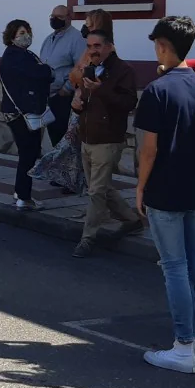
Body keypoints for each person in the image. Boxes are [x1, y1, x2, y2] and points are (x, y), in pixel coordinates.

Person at [134, 15, 195, 374]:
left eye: (157, 43)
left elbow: (148, 150)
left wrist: (140, 187)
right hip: (194, 186)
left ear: (164, 46)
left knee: (175, 268)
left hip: (165, 190)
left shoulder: (156, 90)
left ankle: (183, 346)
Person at [69, 27, 141, 256]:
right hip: (88, 136)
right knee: (99, 187)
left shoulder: (123, 70)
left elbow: (129, 103)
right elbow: (82, 98)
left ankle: (88, 238)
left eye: (97, 46)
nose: (92, 50)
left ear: (110, 47)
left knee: (96, 191)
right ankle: (131, 220)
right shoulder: (89, 69)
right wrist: (77, 105)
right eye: (89, 46)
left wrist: (101, 91)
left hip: (108, 139)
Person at [0, 20, 52, 210]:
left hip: (19, 110)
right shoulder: (17, 56)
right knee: (29, 153)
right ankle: (24, 197)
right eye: (21, 32)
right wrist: (47, 70)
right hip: (21, 112)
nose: (26, 35)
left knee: (27, 153)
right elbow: (41, 73)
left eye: (27, 31)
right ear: (12, 36)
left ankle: (20, 191)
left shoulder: (20, 54)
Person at [38, 4, 81, 145]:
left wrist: (66, 89)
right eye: (52, 17)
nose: (55, 20)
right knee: (54, 138)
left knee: (63, 140)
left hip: (63, 98)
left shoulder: (76, 38)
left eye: (59, 17)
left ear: (69, 18)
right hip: (48, 97)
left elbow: (80, 66)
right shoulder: (49, 39)